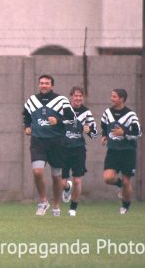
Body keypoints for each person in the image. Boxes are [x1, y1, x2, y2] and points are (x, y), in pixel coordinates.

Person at [23, 74, 75, 216]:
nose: (44, 85)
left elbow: (72, 120)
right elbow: (26, 116)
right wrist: (27, 126)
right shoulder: (32, 100)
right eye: (41, 83)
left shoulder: (61, 101)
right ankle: (43, 201)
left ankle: (56, 206)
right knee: (37, 172)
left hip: (57, 142)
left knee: (56, 176)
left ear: (52, 85)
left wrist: (58, 121)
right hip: (38, 141)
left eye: (47, 83)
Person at [101, 89, 142, 215]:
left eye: (114, 96)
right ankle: (119, 185)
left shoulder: (131, 115)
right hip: (113, 151)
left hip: (128, 152)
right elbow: (104, 127)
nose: (112, 99)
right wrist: (104, 136)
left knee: (126, 181)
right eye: (111, 96)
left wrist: (124, 133)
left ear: (122, 99)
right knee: (107, 178)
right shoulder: (107, 113)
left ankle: (125, 205)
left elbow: (138, 133)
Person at [61, 86, 98, 216]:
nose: (78, 98)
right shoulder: (63, 110)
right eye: (75, 96)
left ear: (83, 98)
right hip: (63, 149)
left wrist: (89, 131)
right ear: (71, 96)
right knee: (61, 182)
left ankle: (73, 208)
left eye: (80, 96)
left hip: (78, 150)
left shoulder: (86, 112)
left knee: (77, 180)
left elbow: (94, 134)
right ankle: (66, 188)